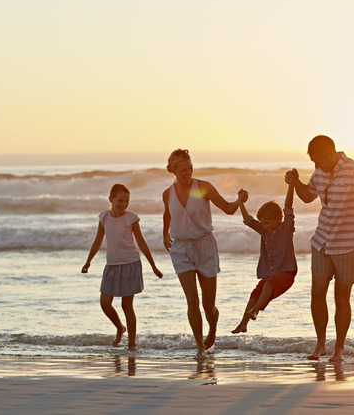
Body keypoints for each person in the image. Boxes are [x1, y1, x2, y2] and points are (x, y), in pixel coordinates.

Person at [285, 135, 354, 362]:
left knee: (341, 299)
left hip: (347, 245)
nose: (316, 166)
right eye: (313, 162)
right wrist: (295, 183)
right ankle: (321, 344)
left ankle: (339, 349)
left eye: (318, 161)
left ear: (331, 154)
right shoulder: (320, 172)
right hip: (321, 241)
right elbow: (306, 197)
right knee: (317, 293)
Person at [162, 149, 246, 359]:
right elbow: (168, 213)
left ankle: (213, 330)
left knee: (209, 306)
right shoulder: (167, 193)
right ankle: (199, 347)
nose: (188, 172)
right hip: (180, 249)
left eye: (190, 167)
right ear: (173, 170)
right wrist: (165, 232)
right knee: (192, 300)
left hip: (205, 246)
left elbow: (228, 209)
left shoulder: (203, 187)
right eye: (183, 169)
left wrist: (239, 200)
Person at [82, 183, 163, 350]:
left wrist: (153, 266)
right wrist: (88, 261)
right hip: (111, 266)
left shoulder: (131, 218)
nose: (124, 205)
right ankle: (120, 327)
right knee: (105, 303)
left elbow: (141, 242)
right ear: (110, 200)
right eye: (120, 200)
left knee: (127, 306)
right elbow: (98, 241)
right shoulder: (104, 217)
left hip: (130, 264)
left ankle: (132, 345)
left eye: (127, 201)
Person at [232, 182, 298, 334]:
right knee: (255, 293)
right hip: (272, 274)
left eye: (267, 223)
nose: (265, 226)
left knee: (267, 285)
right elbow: (247, 220)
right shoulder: (263, 230)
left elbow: (288, 206)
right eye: (262, 223)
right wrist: (240, 202)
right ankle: (243, 324)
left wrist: (290, 185)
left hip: (287, 273)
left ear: (277, 219)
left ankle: (255, 312)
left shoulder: (286, 228)